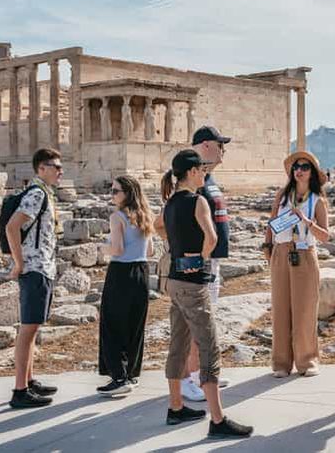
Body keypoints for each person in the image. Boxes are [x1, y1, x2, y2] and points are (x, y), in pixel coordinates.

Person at [156, 149, 253, 438]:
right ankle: (218, 420)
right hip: (194, 282)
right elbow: (211, 238)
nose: (204, 174)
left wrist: (178, 250)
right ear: (192, 172)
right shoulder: (199, 201)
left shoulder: (170, 202)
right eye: (201, 169)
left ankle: (175, 407)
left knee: (178, 343)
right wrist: (199, 259)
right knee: (208, 345)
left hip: (173, 280)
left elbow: (157, 227)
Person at [262, 151, 330, 378]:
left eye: (304, 166)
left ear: (312, 173)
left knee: (305, 310)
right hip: (281, 254)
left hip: (305, 254)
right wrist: (267, 248)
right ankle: (281, 363)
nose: (299, 170)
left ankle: (307, 360)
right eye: (296, 166)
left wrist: (306, 221)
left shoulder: (317, 200)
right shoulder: (282, 195)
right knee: (280, 308)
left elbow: (325, 236)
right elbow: (271, 225)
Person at [5, 148, 63, 409]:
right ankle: (19, 391)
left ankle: (28, 381)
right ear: (41, 168)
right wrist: (19, 263)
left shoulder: (46, 194)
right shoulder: (38, 194)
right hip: (34, 268)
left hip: (44, 267)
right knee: (28, 329)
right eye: (55, 166)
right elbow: (12, 226)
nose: (60, 171)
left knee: (33, 327)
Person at [179, 126, 233, 402]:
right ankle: (188, 378)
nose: (224, 149)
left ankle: (203, 373)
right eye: (220, 144)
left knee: (206, 321)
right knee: (195, 322)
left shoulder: (208, 178)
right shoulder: (190, 177)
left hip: (213, 262)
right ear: (207, 145)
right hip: (201, 262)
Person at [97, 175, 155, 396]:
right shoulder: (145, 216)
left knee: (112, 325)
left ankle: (119, 377)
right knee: (134, 325)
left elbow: (117, 249)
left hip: (121, 272)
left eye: (115, 191)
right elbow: (150, 251)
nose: (112, 195)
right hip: (141, 272)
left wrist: (103, 248)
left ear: (128, 193)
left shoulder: (117, 217)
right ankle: (131, 374)